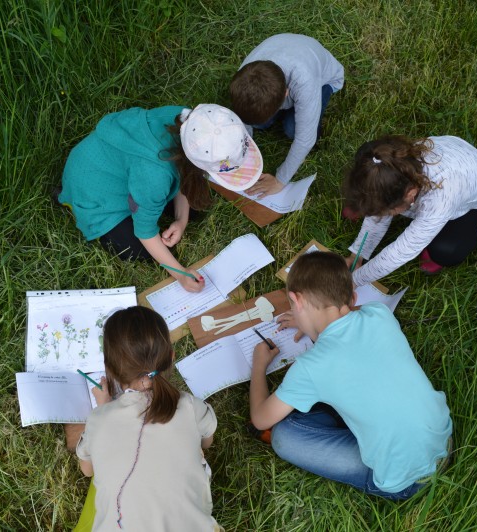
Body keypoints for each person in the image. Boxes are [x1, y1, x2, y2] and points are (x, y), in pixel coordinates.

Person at [249, 252, 452, 500]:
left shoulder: (310, 368)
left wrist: (258, 366)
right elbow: (347, 317)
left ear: (295, 300)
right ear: (353, 297)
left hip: (403, 482)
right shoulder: (380, 315)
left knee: (285, 435)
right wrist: (309, 322)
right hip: (443, 441)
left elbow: (260, 420)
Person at [57, 103, 264, 292]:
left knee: (194, 207)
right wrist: (180, 274)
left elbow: (186, 172)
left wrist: (181, 220)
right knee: (137, 251)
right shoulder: (154, 176)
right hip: (94, 193)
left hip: (126, 172)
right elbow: (145, 232)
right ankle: (71, 202)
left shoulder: (192, 121)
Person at [75, 306, 220, 531]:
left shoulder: (98, 419)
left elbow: (88, 470)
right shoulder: (190, 406)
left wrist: (104, 408)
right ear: (171, 356)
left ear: (109, 371)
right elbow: (207, 442)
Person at [342, 135, 477, 284]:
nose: (378, 215)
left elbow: (402, 250)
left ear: (411, 194)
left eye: (384, 212)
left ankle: (440, 252)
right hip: (456, 158)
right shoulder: (393, 166)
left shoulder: (441, 197)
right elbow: (382, 194)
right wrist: (358, 255)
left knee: (445, 251)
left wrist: (355, 282)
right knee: (371, 203)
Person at [230, 34, 345, 198]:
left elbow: (305, 140)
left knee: (292, 129)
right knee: (258, 123)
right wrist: (244, 149)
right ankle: (268, 117)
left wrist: (280, 180)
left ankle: (286, 115)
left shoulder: (305, 81)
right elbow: (242, 116)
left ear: (285, 94)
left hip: (324, 80)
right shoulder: (246, 75)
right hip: (288, 53)